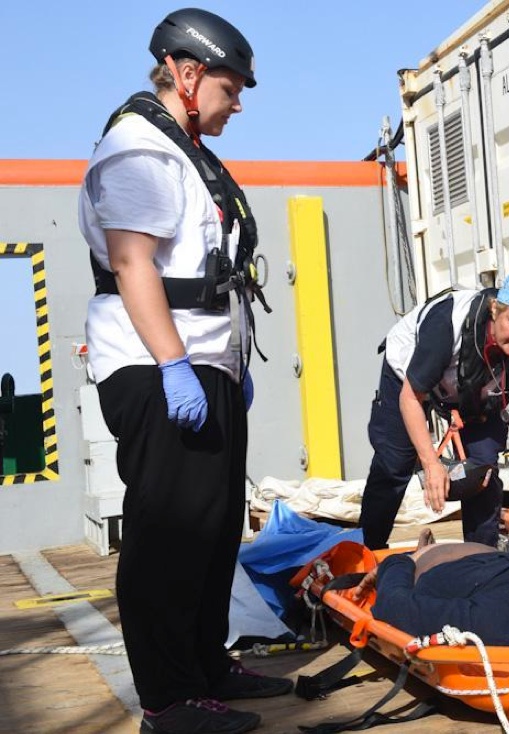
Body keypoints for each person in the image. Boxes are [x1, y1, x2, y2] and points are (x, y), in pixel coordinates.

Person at [80, 9, 285, 734]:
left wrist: (224, 363)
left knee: (214, 525)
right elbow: (134, 262)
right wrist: (174, 366)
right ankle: (168, 701)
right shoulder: (140, 150)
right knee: (168, 531)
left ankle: (206, 667)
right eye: (232, 88)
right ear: (188, 73)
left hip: (207, 362)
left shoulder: (185, 150)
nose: (238, 103)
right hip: (158, 363)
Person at [360, 270, 509, 551]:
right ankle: (369, 548)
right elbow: (410, 398)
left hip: (478, 391)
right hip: (410, 376)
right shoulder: (448, 324)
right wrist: (431, 464)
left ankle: (481, 555)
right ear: (495, 310)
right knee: (394, 462)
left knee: (483, 470)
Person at [357, 459, 509, 646]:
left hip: (415, 565)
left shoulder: (490, 623)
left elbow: (397, 607)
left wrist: (397, 564)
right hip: (485, 560)